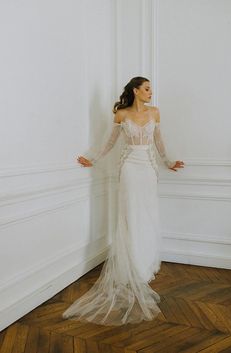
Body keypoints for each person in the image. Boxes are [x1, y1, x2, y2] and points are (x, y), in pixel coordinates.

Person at [62, 76, 184, 326]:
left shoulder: (155, 112)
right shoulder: (121, 114)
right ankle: (129, 265)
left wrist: (169, 162)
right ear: (135, 90)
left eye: (151, 88)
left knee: (147, 214)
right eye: (147, 88)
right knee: (130, 215)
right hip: (129, 168)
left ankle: (143, 265)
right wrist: (92, 159)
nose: (151, 92)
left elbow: (159, 142)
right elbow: (109, 143)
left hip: (148, 169)